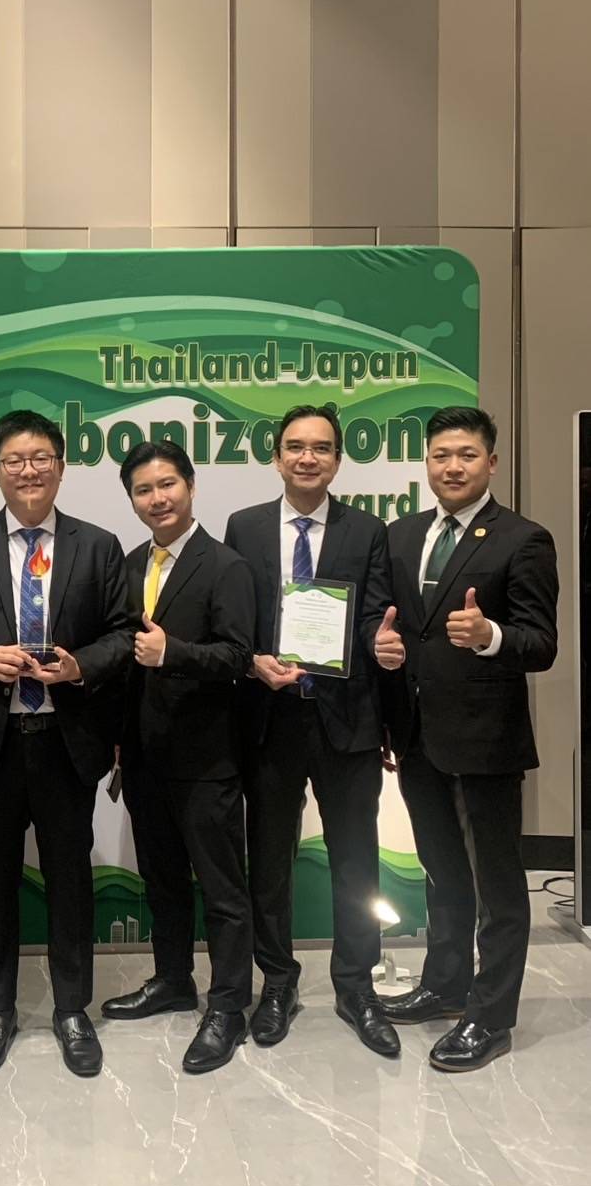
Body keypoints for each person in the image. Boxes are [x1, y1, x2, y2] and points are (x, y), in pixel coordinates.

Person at [0, 409, 134, 1079]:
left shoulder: (98, 545)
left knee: (71, 881)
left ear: (61, 467)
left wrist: (79, 667)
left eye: (42, 457)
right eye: (15, 459)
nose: (29, 470)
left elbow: (124, 633)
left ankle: (72, 1008)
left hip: (66, 742)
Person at [379, 406, 558, 1071]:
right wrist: (380, 646)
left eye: (466, 455)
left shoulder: (524, 539)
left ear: (491, 462)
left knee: (498, 885)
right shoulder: (401, 535)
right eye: (440, 455)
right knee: (441, 871)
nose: (452, 467)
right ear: (426, 463)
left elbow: (541, 644)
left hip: (487, 738)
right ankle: (446, 983)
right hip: (417, 735)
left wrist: (491, 636)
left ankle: (491, 1016)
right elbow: (396, 625)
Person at [224, 404, 400, 1058]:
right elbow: (235, 619)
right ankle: (278, 981)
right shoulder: (244, 526)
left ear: (336, 460)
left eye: (321, 447)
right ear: (276, 457)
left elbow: (372, 617)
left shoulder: (367, 530)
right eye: (295, 446)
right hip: (269, 717)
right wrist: (251, 660)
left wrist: (380, 649)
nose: (307, 457)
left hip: (346, 718)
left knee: (356, 856)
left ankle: (356, 985)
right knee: (269, 858)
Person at [102, 441, 256, 1073]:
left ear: (191, 487)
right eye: (143, 490)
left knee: (222, 890)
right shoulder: (128, 564)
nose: (157, 498)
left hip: (206, 758)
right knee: (161, 879)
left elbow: (239, 656)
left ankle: (229, 1006)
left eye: (167, 484)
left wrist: (175, 653)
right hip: (142, 756)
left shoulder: (226, 566)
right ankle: (172, 980)